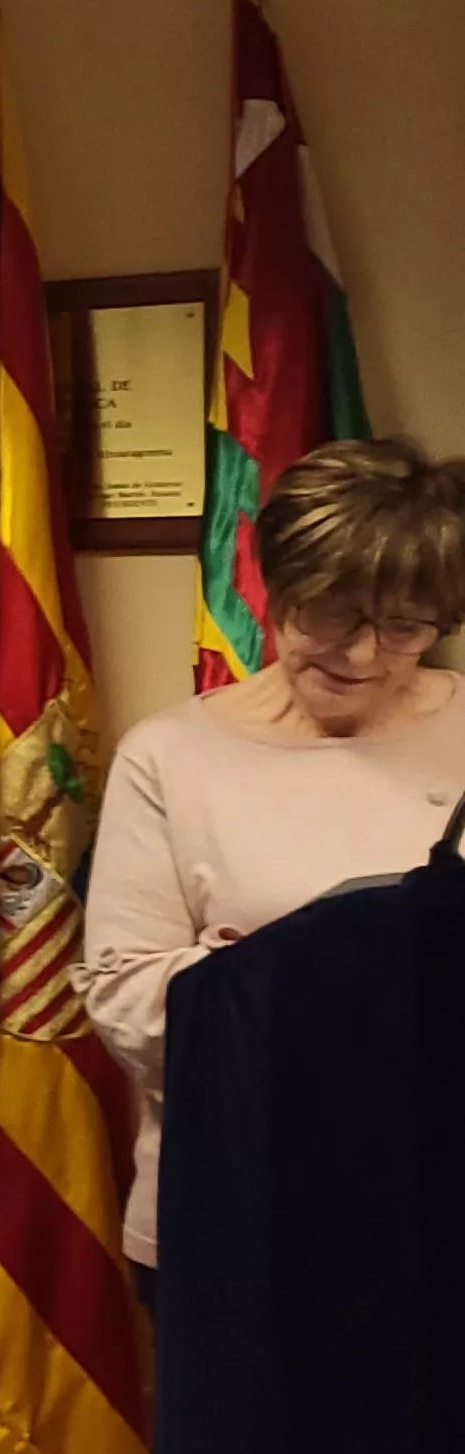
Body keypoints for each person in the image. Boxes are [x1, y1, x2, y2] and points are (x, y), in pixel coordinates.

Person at [80, 438, 465, 1284]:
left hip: (436, 1208)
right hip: (236, 1215)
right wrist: (340, 985)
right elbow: (123, 998)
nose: (361, 655)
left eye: (403, 625)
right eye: (330, 613)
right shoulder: (171, 757)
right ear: (274, 588)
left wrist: (244, 964)